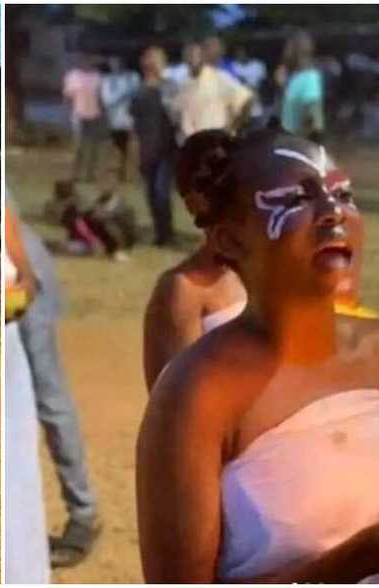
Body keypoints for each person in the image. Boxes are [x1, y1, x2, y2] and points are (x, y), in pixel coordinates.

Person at [136, 129, 379, 583]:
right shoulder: (195, 393)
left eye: (343, 194)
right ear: (228, 241)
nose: (333, 213)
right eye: (293, 200)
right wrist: (365, 556)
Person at [16, 220, 100, 568]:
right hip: (19, 281)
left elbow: (26, 282)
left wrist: (6, 318)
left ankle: (84, 513)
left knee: (48, 399)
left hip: (24, 278)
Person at [143, 130, 248, 390]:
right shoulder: (184, 288)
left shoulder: (272, 271)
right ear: (193, 203)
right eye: (217, 190)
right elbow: (181, 401)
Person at [2, 202, 51, 582]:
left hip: (11, 349)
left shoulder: (6, 212)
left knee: (18, 470)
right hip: (3, 350)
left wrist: (14, 301)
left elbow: (31, 282)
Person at [131, 45, 180, 247]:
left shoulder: (170, 86)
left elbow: (178, 115)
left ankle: (167, 232)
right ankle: (160, 233)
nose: (151, 63)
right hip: (146, 148)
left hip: (166, 148)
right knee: (151, 193)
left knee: (161, 191)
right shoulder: (139, 90)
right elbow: (134, 121)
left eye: (156, 60)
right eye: (148, 59)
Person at [172, 39, 253, 143]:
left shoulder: (220, 78)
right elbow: (177, 116)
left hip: (214, 146)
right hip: (189, 148)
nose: (191, 58)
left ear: (203, 56)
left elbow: (247, 100)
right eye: (188, 54)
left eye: (195, 54)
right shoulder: (184, 84)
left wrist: (230, 130)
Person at [63, 55, 106, 182]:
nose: (87, 63)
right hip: (79, 114)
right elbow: (68, 97)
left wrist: (103, 113)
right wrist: (67, 113)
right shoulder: (73, 76)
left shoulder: (97, 77)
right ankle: (74, 174)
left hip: (94, 114)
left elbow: (100, 96)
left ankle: (89, 174)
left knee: (93, 146)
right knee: (78, 146)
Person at [100, 55, 140, 181]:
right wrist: (123, 96)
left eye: (118, 64)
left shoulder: (131, 78)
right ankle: (114, 172)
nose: (116, 66)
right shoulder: (107, 80)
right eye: (113, 64)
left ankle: (127, 173)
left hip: (129, 120)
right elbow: (107, 101)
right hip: (113, 120)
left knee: (129, 148)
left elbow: (137, 96)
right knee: (114, 148)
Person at [280, 32, 325, 142]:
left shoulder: (309, 77)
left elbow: (314, 116)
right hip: (289, 138)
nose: (286, 51)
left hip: (298, 140)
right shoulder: (293, 76)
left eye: (289, 47)